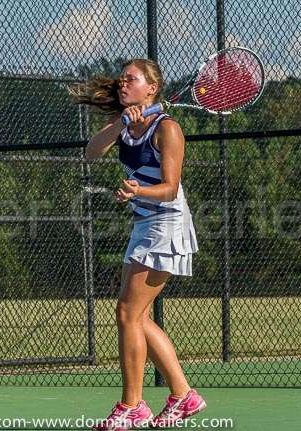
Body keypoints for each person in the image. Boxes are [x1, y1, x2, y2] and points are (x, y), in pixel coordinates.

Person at [70, 59, 205, 430]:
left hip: (166, 224)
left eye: (132, 79)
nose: (123, 84)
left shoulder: (169, 129)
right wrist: (121, 122)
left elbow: (170, 188)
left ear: (151, 88)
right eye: (122, 79)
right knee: (138, 317)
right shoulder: (127, 127)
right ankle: (184, 395)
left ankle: (132, 406)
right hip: (144, 222)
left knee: (127, 314)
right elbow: (92, 151)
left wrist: (137, 190)